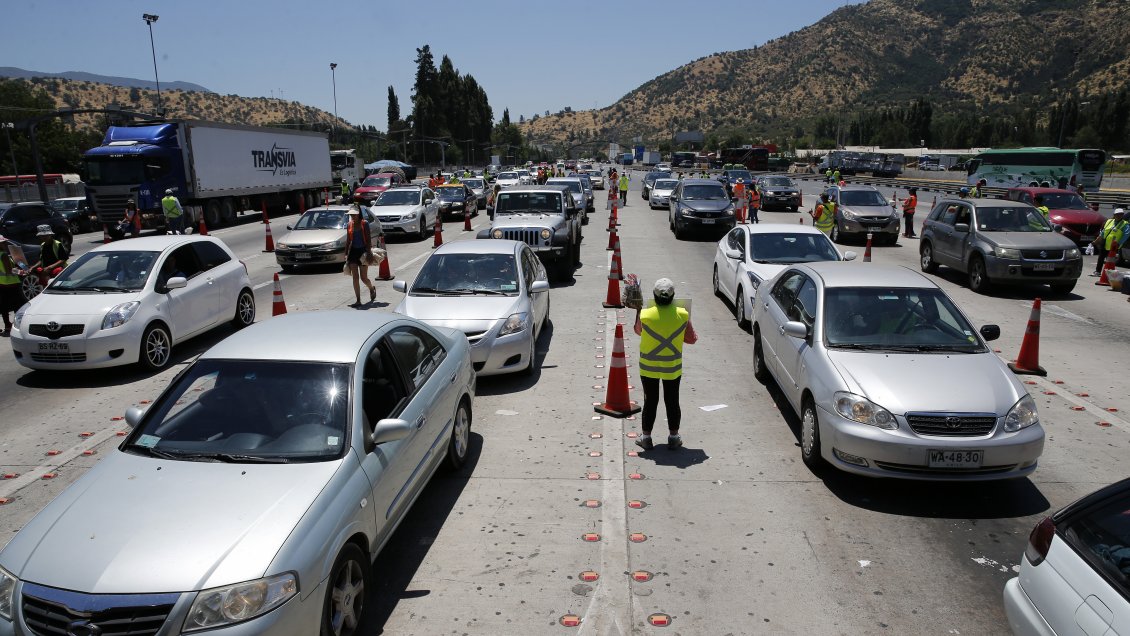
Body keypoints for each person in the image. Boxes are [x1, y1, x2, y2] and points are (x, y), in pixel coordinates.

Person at [633, 278, 697, 450]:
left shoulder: (645, 315)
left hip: (648, 367)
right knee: (672, 400)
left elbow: (638, 331)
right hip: (672, 367)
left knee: (650, 401)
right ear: (673, 296)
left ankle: (646, 438)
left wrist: (639, 309)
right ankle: (674, 437)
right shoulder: (683, 315)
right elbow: (692, 339)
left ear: (654, 296)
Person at [345, 206, 377, 306]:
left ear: (358, 214)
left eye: (354, 215)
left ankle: (371, 288)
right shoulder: (349, 225)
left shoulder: (364, 224)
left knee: (363, 278)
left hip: (363, 252)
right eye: (351, 215)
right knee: (355, 277)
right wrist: (346, 254)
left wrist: (369, 253)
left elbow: (368, 239)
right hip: (353, 253)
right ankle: (358, 300)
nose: (352, 216)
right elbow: (348, 240)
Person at [1093, 208, 1128, 276]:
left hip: (1114, 245)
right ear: (1114, 215)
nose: (1119, 216)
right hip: (1105, 242)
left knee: (1110, 260)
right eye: (1117, 214)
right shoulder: (1109, 221)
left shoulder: (1125, 224)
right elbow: (1103, 233)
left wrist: (1119, 243)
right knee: (1101, 258)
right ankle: (1097, 271)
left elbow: (1125, 235)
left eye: (1120, 214)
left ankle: (1109, 274)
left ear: (1123, 215)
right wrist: (1096, 241)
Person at [0, 238, 22, 336]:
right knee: (17, 304)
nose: (5, 244)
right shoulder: (3, 255)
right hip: (11, 283)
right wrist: (20, 271)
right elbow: (9, 271)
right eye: (3, 242)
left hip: (2, 284)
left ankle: (7, 325)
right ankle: (18, 324)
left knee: (4, 306)